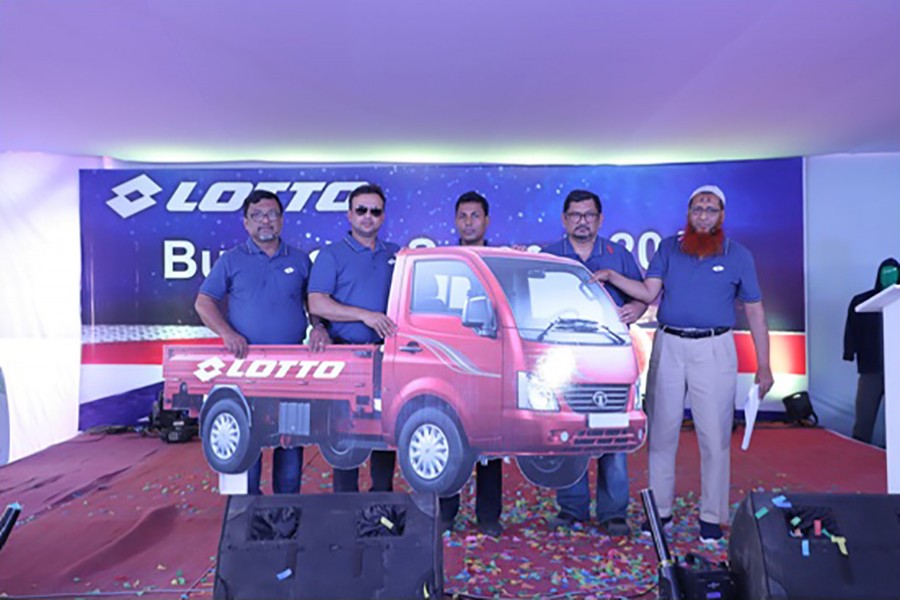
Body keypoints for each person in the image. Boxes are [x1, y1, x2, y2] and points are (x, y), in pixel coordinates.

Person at [591, 185, 774, 543]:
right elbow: (647, 292)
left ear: (722, 216)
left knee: (715, 436)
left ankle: (711, 518)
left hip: (715, 348)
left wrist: (764, 365)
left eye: (711, 209)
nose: (703, 215)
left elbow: (755, 311)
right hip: (670, 345)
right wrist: (612, 277)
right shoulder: (668, 249)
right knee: (661, 434)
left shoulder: (738, 255)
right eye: (697, 209)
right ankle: (660, 515)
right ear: (688, 214)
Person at [195, 189, 329, 494]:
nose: (265, 221)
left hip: (292, 369)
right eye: (257, 215)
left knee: (290, 444)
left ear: (281, 220)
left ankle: (286, 515)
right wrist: (228, 334)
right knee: (248, 444)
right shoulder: (230, 260)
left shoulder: (300, 260)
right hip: (245, 368)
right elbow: (204, 302)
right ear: (245, 223)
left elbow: (315, 304)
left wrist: (319, 328)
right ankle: (248, 515)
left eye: (271, 214)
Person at [541, 189, 647, 537]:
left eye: (589, 215)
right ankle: (571, 510)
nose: (582, 221)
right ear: (564, 219)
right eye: (575, 215)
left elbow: (643, 295)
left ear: (600, 220)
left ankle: (613, 513)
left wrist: (637, 309)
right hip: (563, 358)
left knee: (612, 432)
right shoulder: (550, 256)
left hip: (609, 359)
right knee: (569, 431)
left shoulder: (618, 255)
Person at [308, 183, 399, 492]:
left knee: (385, 435)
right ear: (349, 215)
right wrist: (364, 315)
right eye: (361, 210)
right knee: (344, 438)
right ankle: (344, 507)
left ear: (383, 216)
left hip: (388, 358)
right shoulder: (331, 255)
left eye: (375, 211)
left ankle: (381, 505)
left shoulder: (396, 255)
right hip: (346, 358)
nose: (368, 217)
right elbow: (317, 302)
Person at [438, 191, 504, 537]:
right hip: (449, 361)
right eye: (462, 216)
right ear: (455, 221)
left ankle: (489, 516)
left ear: (486, 221)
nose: (468, 222)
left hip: (490, 362)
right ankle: (446, 513)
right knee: (451, 438)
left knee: (489, 443)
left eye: (474, 216)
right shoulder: (443, 260)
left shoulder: (499, 260)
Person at [843, 257, 899, 444]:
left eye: (893, 273)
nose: (889, 277)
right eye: (886, 273)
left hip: (897, 371)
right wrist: (849, 352)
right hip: (870, 369)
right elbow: (851, 328)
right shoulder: (862, 301)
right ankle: (858, 455)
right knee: (864, 420)